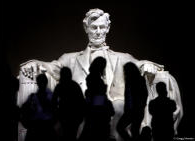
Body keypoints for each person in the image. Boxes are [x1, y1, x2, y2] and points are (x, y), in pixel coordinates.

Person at [18, 8, 183, 141]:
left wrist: (148, 65)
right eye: (94, 27)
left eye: (102, 27)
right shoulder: (70, 59)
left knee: (117, 107)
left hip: (112, 105)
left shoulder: (122, 57)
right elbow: (52, 67)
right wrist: (36, 64)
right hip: (83, 106)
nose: (98, 32)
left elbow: (138, 65)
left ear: (108, 28)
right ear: (86, 29)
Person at [80, 57, 115, 141]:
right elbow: (96, 95)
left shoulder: (93, 76)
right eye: (103, 65)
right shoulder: (95, 77)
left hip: (95, 106)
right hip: (97, 108)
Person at [52, 67, 86, 141]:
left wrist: (56, 114)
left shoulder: (59, 86)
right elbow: (82, 102)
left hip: (64, 116)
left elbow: (53, 102)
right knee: (72, 136)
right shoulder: (75, 85)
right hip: (75, 117)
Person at [116, 62, 148, 141]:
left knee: (128, 129)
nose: (124, 72)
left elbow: (144, 94)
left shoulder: (139, 79)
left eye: (125, 70)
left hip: (135, 110)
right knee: (133, 131)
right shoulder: (129, 80)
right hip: (132, 110)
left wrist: (140, 106)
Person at [20, 74, 56, 141]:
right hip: (43, 127)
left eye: (41, 82)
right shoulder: (34, 97)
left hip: (40, 127)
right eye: (40, 82)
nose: (40, 84)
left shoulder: (34, 97)